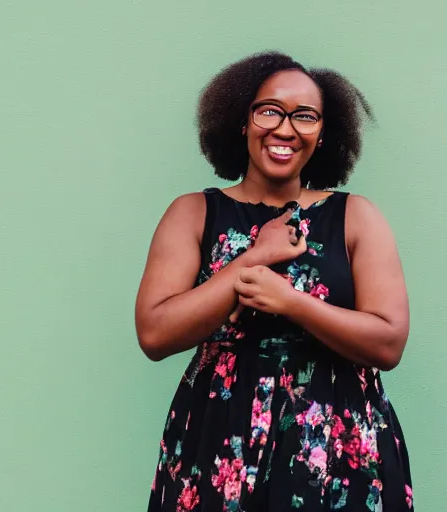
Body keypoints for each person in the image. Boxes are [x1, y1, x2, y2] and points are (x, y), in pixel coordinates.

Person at [135, 51, 414, 511]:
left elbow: (388, 343)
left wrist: (292, 302)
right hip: (221, 438)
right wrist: (253, 260)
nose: (285, 129)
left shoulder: (356, 217)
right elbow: (155, 333)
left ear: (323, 134)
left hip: (338, 445)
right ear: (241, 120)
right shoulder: (192, 214)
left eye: (305, 117)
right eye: (269, 110)